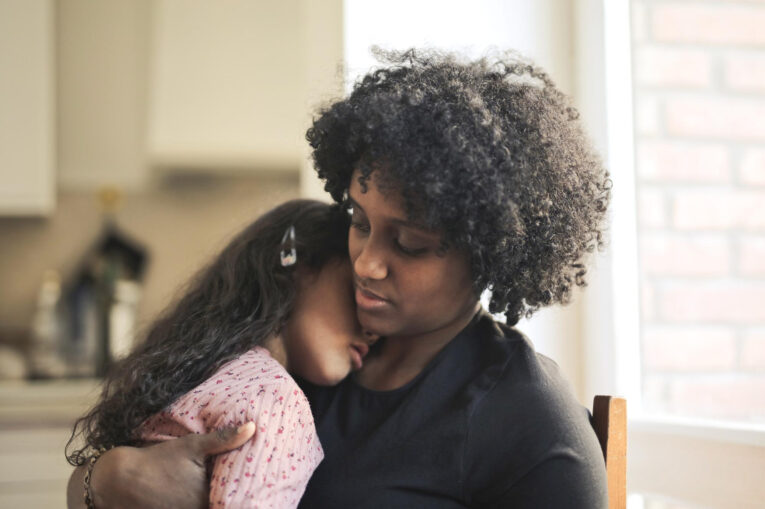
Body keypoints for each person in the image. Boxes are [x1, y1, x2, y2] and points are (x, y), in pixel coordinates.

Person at [67, 48, 612, 508]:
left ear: (489, 254)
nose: (367, 263)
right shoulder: (309, 341)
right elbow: (92, 475)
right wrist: (115, 476)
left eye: (409, 243)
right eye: (358, 221)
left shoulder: (529, 422)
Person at [66, 199, 377, 508]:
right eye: (358, 290)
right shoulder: (274, 401)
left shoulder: (187, 371)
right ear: (296, 267)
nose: (373, 330)